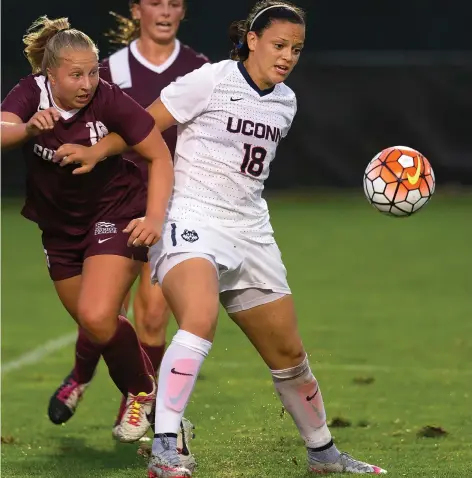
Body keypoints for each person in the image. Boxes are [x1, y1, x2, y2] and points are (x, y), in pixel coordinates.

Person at [54, 1, 388, 475]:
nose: (288, 56)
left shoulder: (286, 102)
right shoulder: (210, 80)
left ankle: (323, 453)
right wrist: (96, 150)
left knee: (289, 355)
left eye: (296, 48)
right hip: (191, 220)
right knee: (199, 319)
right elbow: (141, 127)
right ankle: (167, 446)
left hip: (251, 231)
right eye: (279, 44)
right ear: (252, 40)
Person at [0, 15, 173, 445]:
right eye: (76, 74)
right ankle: (118, 383)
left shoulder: (109, 100)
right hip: (58, 228)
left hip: (113, 212)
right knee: (97, 324)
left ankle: (141, 392)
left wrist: (153, 218)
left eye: (93, 71)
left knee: (98, 314)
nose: (87, 82)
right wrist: (26, 128)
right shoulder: (30, 93)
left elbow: (159, 157)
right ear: (49, 75)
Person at [47, 2, 209, 457]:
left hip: (169, 203)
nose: (165, 11)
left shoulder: (199, 69)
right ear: (137, 9)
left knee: (153, 314)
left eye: (174, 2)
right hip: (112, 201)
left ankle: (134, 402)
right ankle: (81, 376)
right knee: (104, 310)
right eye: (155, 1)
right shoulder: (107, 68)